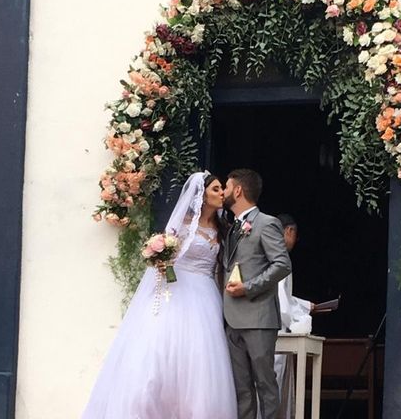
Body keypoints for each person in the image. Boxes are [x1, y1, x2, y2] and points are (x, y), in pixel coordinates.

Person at [81, 172, 237, 419]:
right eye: (216, 189)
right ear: (202, 196)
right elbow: (168, 255)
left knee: (201, 359)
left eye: (221, 189)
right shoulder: (184, 225)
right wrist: (161, 259)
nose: (222, 194)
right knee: (162, 351)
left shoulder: (223, 228)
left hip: (206, 294)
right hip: (179, 290)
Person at [222, 169, 292, 419]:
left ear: (238, 190)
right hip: (232, 318)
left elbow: (282, 264)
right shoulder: (231, 228)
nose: (224, 193)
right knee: (242, 389)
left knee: (265, 384)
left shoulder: (266, 223)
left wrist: (248, 287)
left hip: (259, 318)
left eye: (227, 187)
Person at [273, 214, 314, 419]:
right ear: (289, 231)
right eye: (294, 234)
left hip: (277, 326)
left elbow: (285, 295)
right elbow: (281, 300)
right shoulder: (279, 256)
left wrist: (306, 306)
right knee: (274, 385)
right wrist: (296, 322)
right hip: (277, 330)